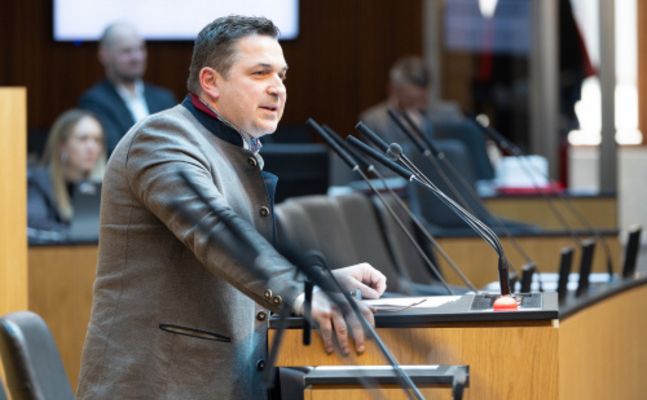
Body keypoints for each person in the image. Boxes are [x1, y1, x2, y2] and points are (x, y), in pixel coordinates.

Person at [77, 15, 387, 400]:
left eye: (282, 75)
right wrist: (304, 293)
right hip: (154, 386)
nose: (277, 89)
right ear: (211, 82)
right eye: (260, 73)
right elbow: (216, 231)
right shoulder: (161, 138)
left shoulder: (235, 149)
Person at [78, 22, 177, 155]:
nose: (136, 57)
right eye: (126, 51)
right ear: (104, 55)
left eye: (140, 49)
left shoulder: (164, 98)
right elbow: (113, 152)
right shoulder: (94, 102)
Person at [27, 109, 106, 234]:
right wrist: (78, 236)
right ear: (62, 145)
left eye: (97, 140)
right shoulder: (39, 182)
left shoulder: (108, 185)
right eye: (83, 139)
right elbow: (34, 221)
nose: (92, 148)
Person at [360, 56, 463, 145]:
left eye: (422, 100)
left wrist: (425, 131)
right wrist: (407, 137)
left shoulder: (449, 114)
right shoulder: (374, 121)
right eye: (410, 99)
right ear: (392, 90)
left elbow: (461, 160)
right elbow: (381, 166)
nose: (417, 106)